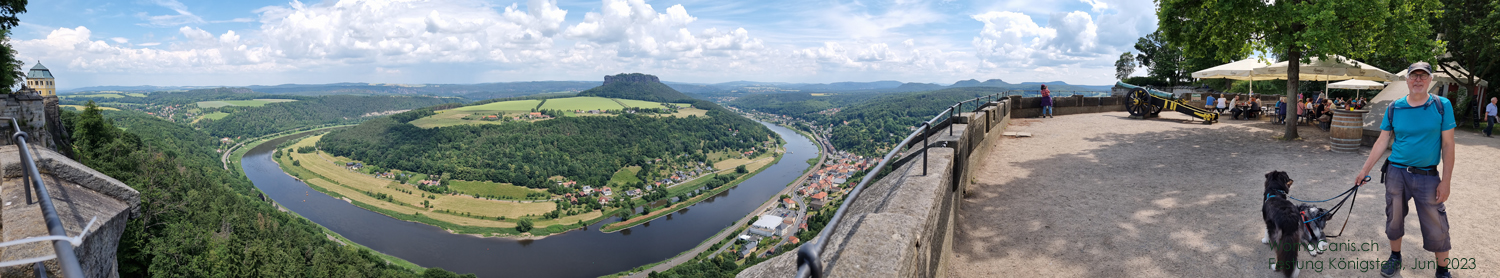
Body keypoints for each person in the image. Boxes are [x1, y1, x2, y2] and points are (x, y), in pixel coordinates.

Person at [1353, 62, 1455, 278]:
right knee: (1394, 217)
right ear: (1407, 80)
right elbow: (1382, 141)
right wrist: (1364, 170)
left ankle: (1443, 269)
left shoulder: (1441, 105)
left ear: (1430, 80)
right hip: (1396, 173)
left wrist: (1446, 181)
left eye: (1423, 76)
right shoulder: (1394, 107)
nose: (1418, 80)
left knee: (1436, 221)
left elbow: (1448, 145)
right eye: (1414, 76)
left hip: (1428, 175)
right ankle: (1395, 256)